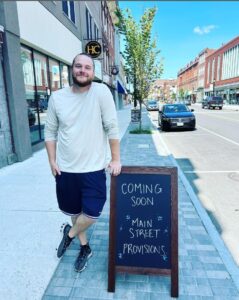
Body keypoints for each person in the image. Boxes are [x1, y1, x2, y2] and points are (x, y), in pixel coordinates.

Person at [44, 53, 121, 272]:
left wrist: (116, 159)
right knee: (75, 212)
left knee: (92, 213)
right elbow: (50, 132)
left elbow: (112, 127)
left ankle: (68, 235)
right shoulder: (57, 98)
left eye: (87, 67)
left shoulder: (101, 92)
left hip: (93, 168)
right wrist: (52, 160)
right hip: (66, 169)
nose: (82, 71)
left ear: (93, 73)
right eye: (78, 66)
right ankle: (85, 247)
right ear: (72, 69)